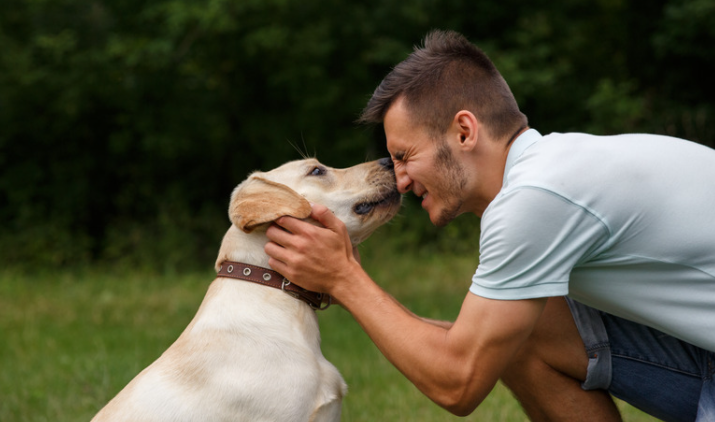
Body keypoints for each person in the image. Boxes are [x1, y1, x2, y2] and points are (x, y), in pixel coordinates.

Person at [264, 30, 715, 421]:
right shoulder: (556, 170)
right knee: (520, 332)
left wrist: (345, 279)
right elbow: (478, 343)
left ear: (464, 131)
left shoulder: (535, 199)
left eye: (404, 156)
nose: (399, 180)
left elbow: (458, 382)